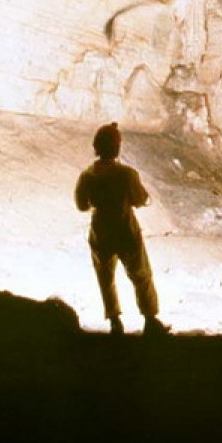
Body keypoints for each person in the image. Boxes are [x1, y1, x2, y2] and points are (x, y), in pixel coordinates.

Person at [75, 122, 168, 337]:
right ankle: (150, 320)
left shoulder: (87, 175)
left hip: (101, 232)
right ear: (116, 147)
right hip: (126, 230)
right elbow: (140, 198)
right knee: (141, 275)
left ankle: (115, 321)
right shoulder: (127, 174)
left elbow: (81, 205)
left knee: (105, 278)